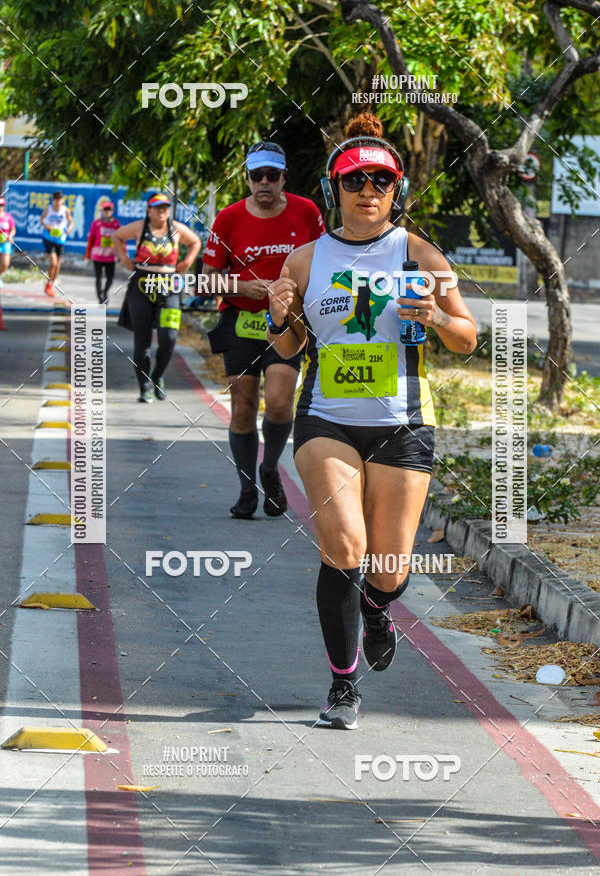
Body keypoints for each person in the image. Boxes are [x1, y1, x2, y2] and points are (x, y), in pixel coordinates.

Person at [267, 113, 477, 729]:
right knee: (345, 548)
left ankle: (379, 610)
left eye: (380, 182)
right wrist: (281, 317)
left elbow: (467, 337)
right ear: (335, 189)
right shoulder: (305, 261)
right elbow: (287, 350)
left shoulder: (418, 252)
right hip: (325, 421)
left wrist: (437, 316)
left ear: (397, 190)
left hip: (402, 425)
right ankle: (342, 685)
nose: (368, 192)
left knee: (388, 568)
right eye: (355, 181)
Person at [202, 141, 325, 519]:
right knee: (242, 406)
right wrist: (243, 287)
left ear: (284, 177)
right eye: (257, 176)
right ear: (248, 179)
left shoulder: (307, 212)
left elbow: (324, 265)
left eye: (273, 176)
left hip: (288, 322)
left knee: (279, 401)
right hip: (242, 321)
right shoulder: (228, 218)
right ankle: (246, 488)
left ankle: (269, 468)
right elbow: (207, 282)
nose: (265, 183)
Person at [113, 193, 201, 402]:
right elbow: (117, 236)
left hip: (169, 286)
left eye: (165, 207)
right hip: (142, 285)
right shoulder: (139, 227)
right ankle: (144, 386)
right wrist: (125, 258)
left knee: (169, 337)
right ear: (149, 210)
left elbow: (195, 242)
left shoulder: (177, 228)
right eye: (157, 207)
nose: (162, 211)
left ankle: (158, 376)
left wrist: (187, 262)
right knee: (141, 341)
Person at [85, 200, 121, 303]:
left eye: (109, 209)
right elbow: (90, 240)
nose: (107, 212)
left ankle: (105, 292)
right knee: (98, 277)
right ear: (102, 210)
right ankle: (100, 297)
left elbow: (121, 240)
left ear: (112, 211)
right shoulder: (96, 224)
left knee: (110, 278)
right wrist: (87, 256)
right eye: (105, 209)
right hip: (98, 256)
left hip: (110, 256)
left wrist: (122, 253)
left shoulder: (116, 224)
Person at [40, 190, 73, 297]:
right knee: (53, 263)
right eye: (56, 199)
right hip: (49, 237)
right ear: (53, 199)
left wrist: (69, 229)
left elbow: (71, 222)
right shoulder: (48, 209)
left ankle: (50, 284)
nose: (58, 201)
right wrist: (47, 226)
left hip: (60, 239)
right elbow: (42, 220)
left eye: (60, 199)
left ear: (63, 200)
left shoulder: (65, 210)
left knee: (57, 265)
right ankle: (49, 284)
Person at [0, 198, 16, 277]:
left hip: (5, 242)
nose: (0, 207)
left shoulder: (8, 217)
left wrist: (10, 235)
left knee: (5, 264)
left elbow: (13, 229)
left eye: (1, 205)